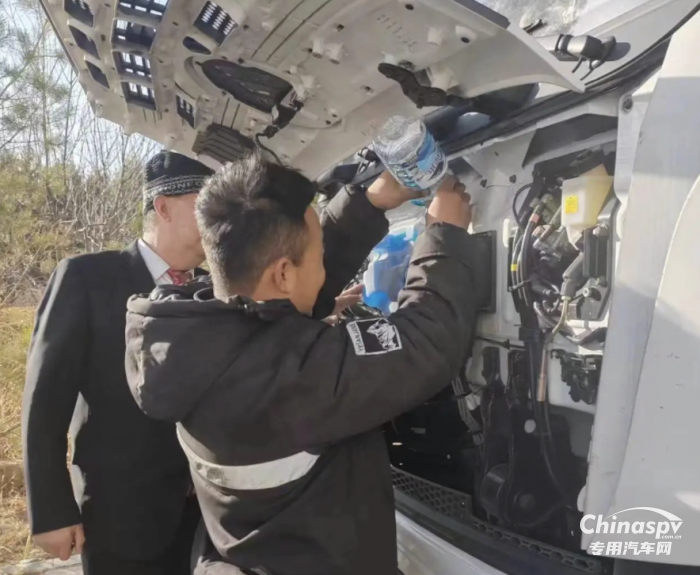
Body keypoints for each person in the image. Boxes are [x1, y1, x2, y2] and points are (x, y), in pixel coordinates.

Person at [124, 150, 483, 575]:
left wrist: (369, 203)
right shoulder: (296, 377)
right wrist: (444, 236)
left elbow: (283, 291)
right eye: (318, 257)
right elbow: (428, 339)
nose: (323, 269)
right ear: (282, 274)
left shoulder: (192, 333)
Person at [22, 151, 215, 575]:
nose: (220, 223)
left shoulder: (213, 290)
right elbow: (45, 399)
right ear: (163, 207)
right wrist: (51, 511)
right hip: (122, 514)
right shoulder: (88, 278)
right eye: (208, 208)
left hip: (206, 517)